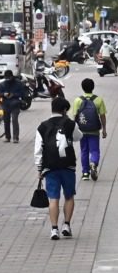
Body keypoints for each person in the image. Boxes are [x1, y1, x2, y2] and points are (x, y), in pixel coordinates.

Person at [36, 95, 79, 240]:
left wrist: (39, 169)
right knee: (69, 196)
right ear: (65, 110)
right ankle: (66, 225)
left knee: (53, 198)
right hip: (68, 165)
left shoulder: (42, 126)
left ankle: (54, 229)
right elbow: (79, 137)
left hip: (50, 166)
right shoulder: (70, 123)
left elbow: (38, 150)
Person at [72, 78, 107, 181]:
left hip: (82, 131)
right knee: (95, 150)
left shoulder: (78, 100)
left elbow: (75, 117)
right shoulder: (98, 100)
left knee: (84, 151)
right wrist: (104, 129)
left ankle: (85, 173)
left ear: (82, 88)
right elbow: (102, 116)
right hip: (94, 130)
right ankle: (94, 163)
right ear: (93, 87)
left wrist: (74, 131)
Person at [0, 69, 28, 143]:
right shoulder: (3, 84)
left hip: (15, 104)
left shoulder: (18, 83)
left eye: (9, 78)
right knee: (6, 121)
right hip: (6, 104)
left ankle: (15, 137)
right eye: (6, 78)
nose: (8, 79)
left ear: (12, 76)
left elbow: (23, 93)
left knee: (14, 120)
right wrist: (4, 94)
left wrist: (14, 95)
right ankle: (7, 137)